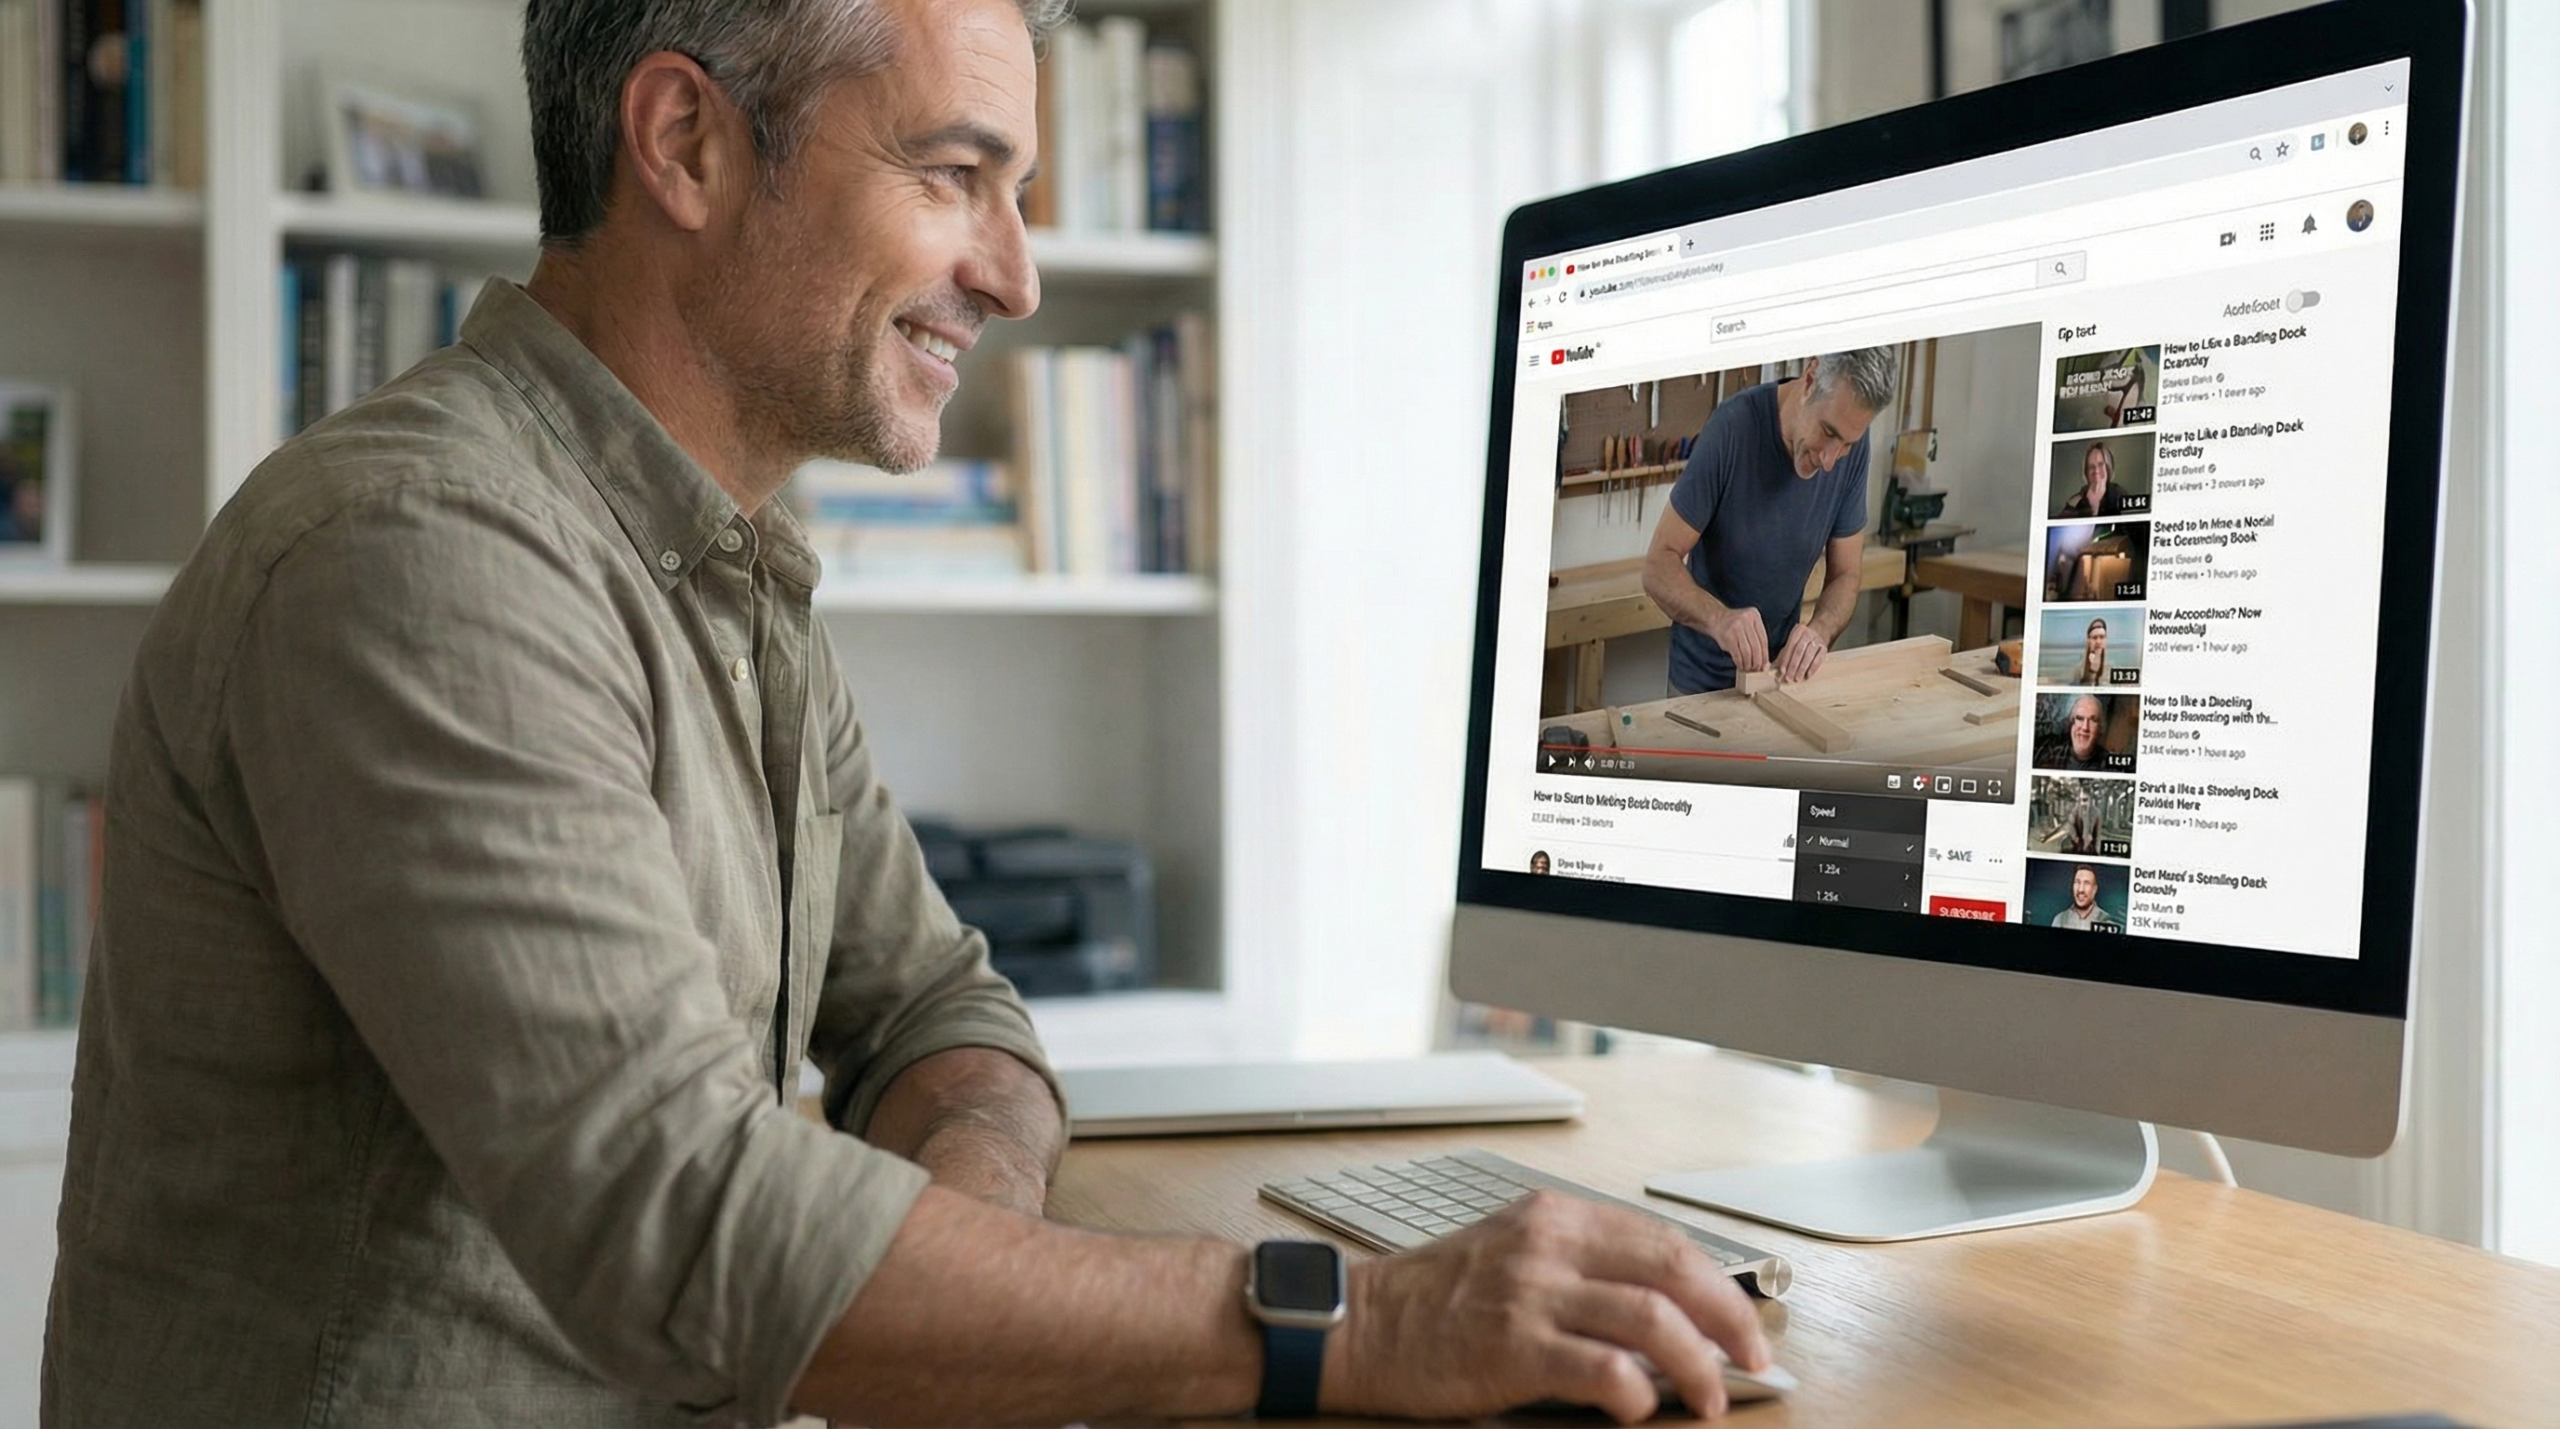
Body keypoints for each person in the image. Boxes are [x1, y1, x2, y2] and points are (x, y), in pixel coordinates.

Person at [45, 2, 1772, 1425]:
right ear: (687, 144)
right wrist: (1362, 1319)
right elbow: (686, 1226)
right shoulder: (418, 554)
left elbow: (943, 1000)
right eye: (959, 176)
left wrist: (961, 1233)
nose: (1017, 274)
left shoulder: (724, 568)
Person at [1641, 347, 1898, 695]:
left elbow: (1846, 573)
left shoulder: (1851, 444)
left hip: (1778, 683)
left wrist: (1819, 631)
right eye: (1828, 432)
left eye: (1847, 445)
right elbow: (1658, 564)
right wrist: (1720, 620)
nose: (1829, 460)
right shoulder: (1731, 429)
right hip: (1699, 689)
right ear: (1809, 380)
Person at [2038, 693, 2117, 771]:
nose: (2085, 727)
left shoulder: (2110, 765)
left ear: (2100, 727)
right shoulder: (2051, 755)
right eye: (2080, 718)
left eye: (2093, 720)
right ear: (2072, 723)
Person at [2058, 440, 2132, 518]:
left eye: (2100, 465)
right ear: (2086, 471)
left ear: (2108, 468)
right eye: (2091, 466)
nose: (2096, 470)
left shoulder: (2120, 496)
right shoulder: (2074, 502)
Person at [2049, 864, 2121, 930]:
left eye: (2087, 883)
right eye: (2077, 882)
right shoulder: (2060, 919)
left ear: (2094, 889)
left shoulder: (2107, 921)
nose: (2081, 889)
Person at [2043, 782, 2103, 855]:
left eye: (2085, 800)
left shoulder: (2096, 813)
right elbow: (2070, 825)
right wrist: (2076, 839)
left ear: (2090, 800)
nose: (2082, 803)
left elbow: (2097, 835)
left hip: (2090, 850)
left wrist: (2097, 851)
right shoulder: (2076, 810)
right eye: (2080, 800)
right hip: (2077, 847)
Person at [2066, 617, 2109, 686]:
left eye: (2102, 637)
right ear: (2089, 641)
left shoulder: (2110, 668)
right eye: (2094, 638)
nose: (2098, 641)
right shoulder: (2079, 669)